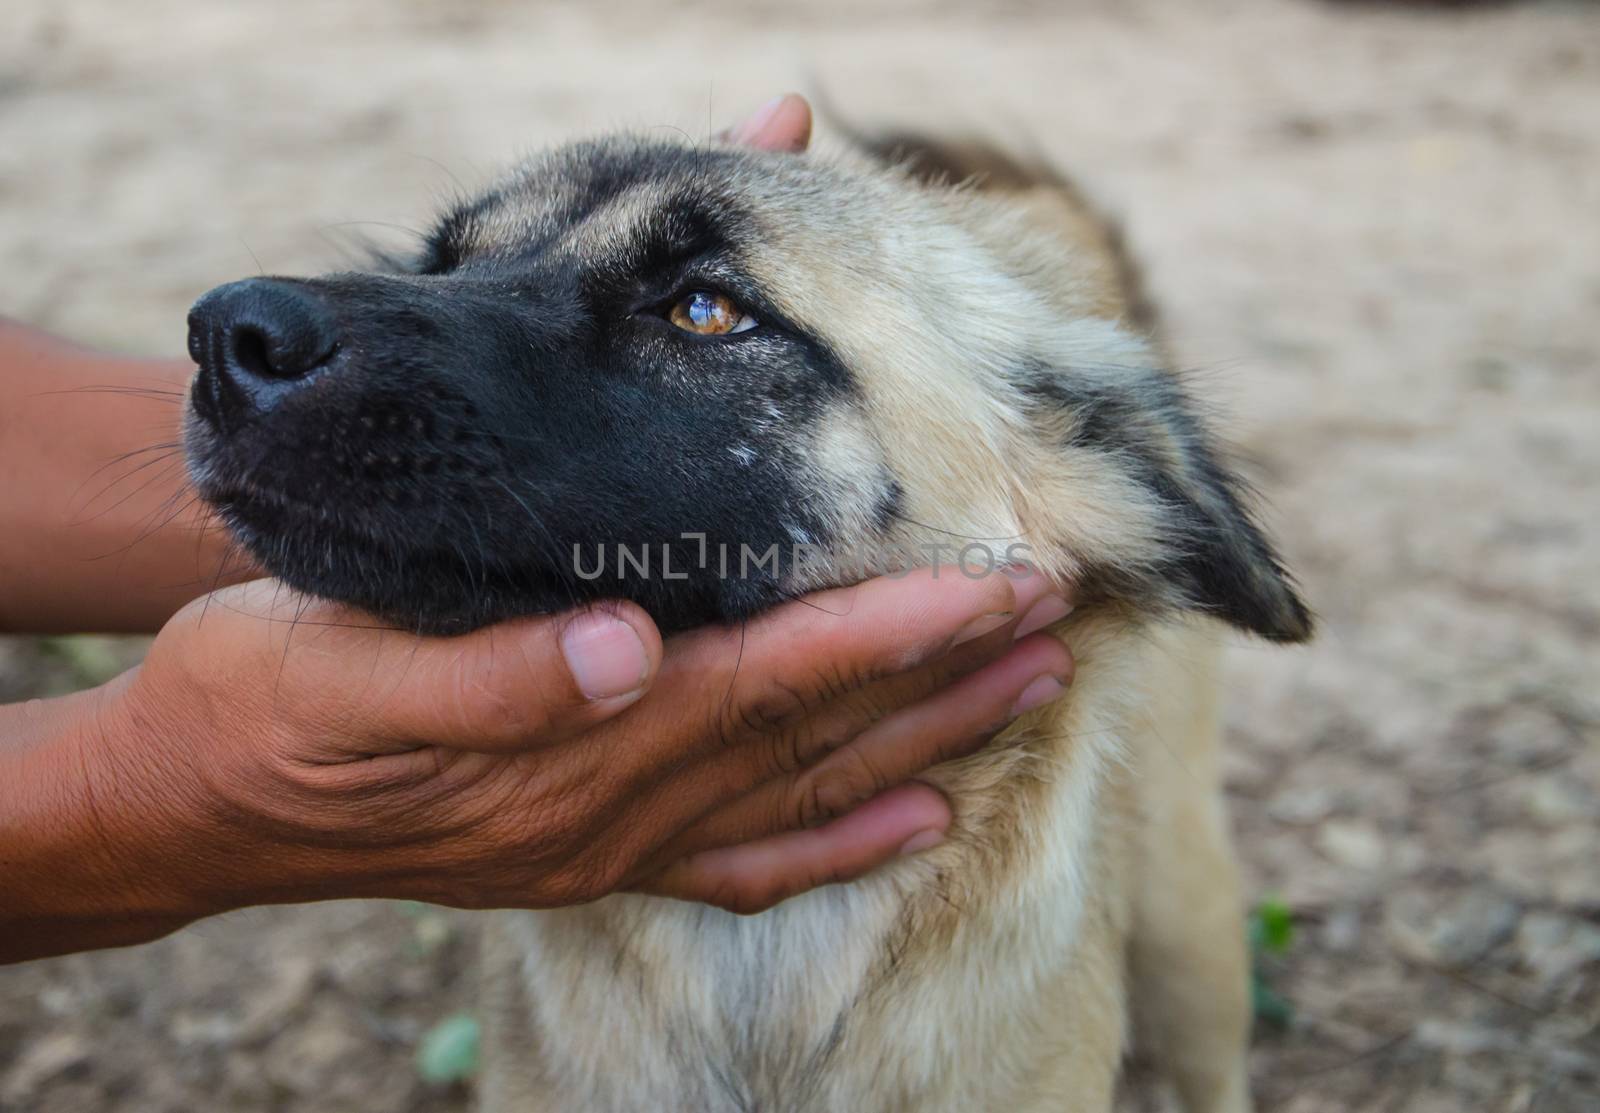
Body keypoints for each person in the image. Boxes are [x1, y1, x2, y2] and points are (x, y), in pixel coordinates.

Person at [0, 97, 1076, 965]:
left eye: (708, 310)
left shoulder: (1043, 501)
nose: (258, 332)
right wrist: (136, 801)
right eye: (449, 274)